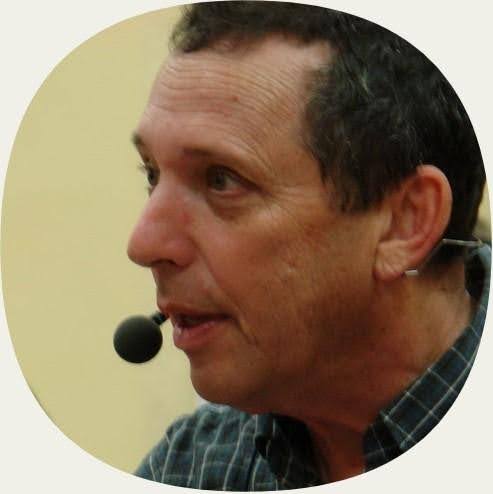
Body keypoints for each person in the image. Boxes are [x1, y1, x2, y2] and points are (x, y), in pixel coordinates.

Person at [126, 1, 489, 489]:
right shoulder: (191, 466)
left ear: (405, 223)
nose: (144, 244)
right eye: (152, 174)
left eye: (221, 180)